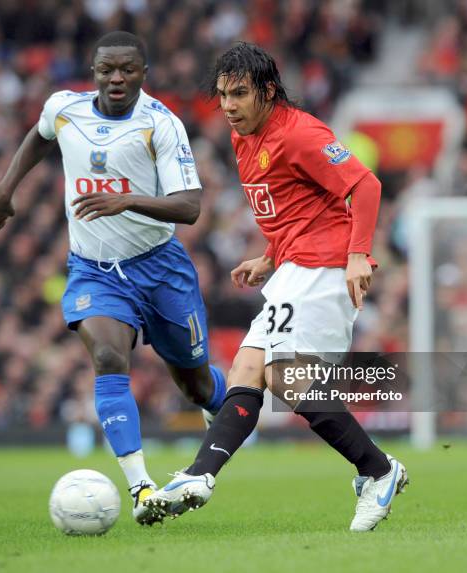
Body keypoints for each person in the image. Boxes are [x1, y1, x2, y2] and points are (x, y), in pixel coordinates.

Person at [144, 43, 408, 532]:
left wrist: (357, 255)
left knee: (286, 378)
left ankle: (379, 470)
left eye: (239, 93)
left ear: (267, 91)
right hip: (293, 268)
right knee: (247, 367)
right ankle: (200, 476)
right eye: (222, 94)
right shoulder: (244, 138)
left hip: (326, 265)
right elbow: (295, 208)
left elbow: (364, 186)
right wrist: (269, 257)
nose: (228, 105)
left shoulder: (301, 132)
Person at [0, 31, 226, 525]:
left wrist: (127, 200)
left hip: (160, 268)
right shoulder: (64, 108)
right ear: (93, 73)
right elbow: (40, 133)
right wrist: (7, 188)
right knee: (109, 355)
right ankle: (142, 488)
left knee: (196, 385)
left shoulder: (161, 125)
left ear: (143, 74)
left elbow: (191, 207)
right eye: (106, 70)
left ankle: (231, 407)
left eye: (127, 70)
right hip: (94, 270)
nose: (116, 78)